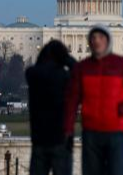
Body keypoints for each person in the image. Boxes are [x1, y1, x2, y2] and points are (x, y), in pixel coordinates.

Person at [64, 25, 123, 175]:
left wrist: (122, 109)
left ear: (108, 40)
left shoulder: (122, 65)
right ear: (89, 42)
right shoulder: (82, 68)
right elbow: (71, 102)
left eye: (100, 37)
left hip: (115, 131)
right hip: (90, 132)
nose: (97, 41)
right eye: (93, 38)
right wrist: (68, 131)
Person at [27, 40, 78, 175]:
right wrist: (67, 59)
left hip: (39, 138)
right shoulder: (65, 77)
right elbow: (80, 73)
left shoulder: (33, 75)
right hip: (61, 137)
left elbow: (32, 70)